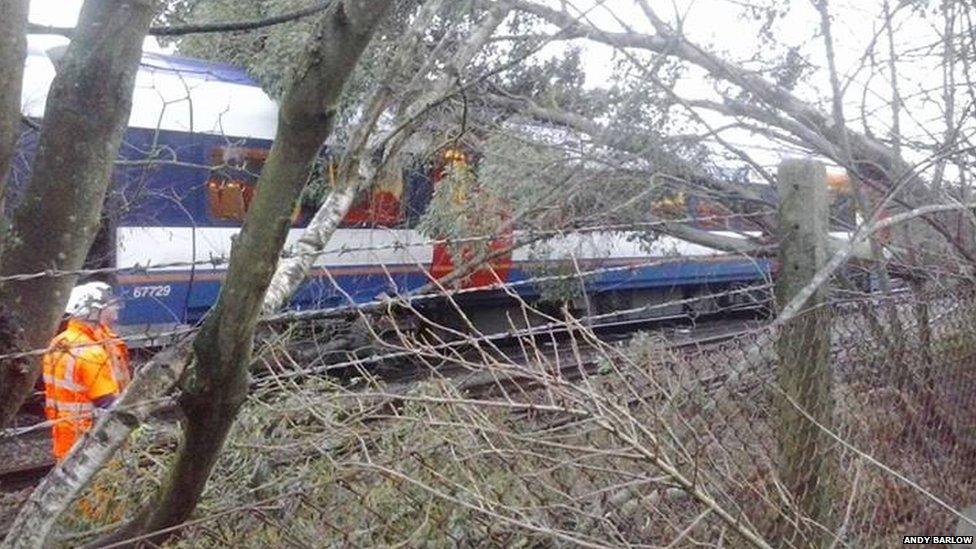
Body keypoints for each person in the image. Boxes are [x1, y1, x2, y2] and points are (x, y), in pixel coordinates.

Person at [42, 281, 130, 460]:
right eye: (110, 306)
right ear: (93, 312)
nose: (116, 313)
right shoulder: (91, 353)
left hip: (65, 435)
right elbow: (109, 405)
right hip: (91, 441)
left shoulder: (59, 342)